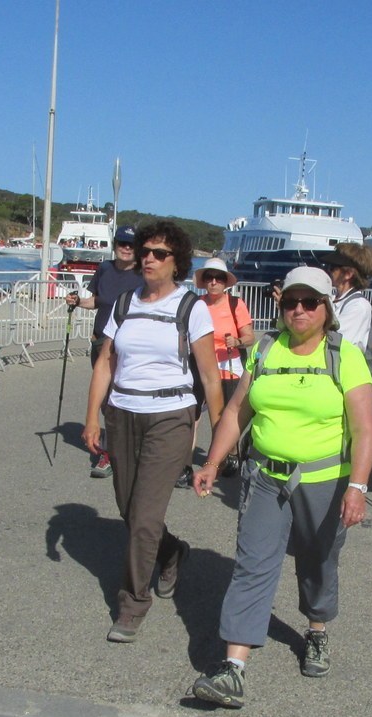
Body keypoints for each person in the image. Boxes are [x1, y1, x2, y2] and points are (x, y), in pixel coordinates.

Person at [190, 266, 372, 708]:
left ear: (326, 308)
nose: (298, 310)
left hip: (324, 482)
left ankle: (316, 631)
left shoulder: (344, 356)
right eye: (290, 301)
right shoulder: (266, 349)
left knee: (317, 561)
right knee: (253, 564)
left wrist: (359, 487)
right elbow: (237, 411)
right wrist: (213, 462)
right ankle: (233, 668)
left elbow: (365, 429)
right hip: (265, 476)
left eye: (309, 302)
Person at [82, 221, 223, 642]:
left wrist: (220, 441)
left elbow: (211, 377)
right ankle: (172, 551)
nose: (147, 257)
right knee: (129, 510)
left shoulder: (191, 307)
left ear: (176, 262)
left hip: (170, 417)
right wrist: (92, 417)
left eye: (159, 253)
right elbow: (105, 363)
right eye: (145, 250)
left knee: (145, 515)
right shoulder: (125, 302)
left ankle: (132, 603)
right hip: (122, 413)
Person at [66, 225, 143, 478]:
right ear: (115, 244)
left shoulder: (145, 274)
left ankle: (111, 453)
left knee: (121, 399)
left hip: (128, 347)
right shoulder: (105, 269)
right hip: (100, 343)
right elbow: (97, 301)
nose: (126, 248)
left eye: (131, 244)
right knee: (107, 400)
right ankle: (115, 448)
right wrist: (78, 302)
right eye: (122, 243)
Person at [194, 256, 255, 477]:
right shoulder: (197, 304)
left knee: (225, 416)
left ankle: (227, 456)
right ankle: (185, 461)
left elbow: (249, 337)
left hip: (229, 365)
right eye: (209, 277)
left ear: (225, 282)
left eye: (218, 278)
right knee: (193, 414)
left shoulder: (235, 304)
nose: (213, 282)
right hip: (201, 364)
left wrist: (237, 341)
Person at [319, 242, 372, 352]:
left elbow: (334, 339)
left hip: (343, 367)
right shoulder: (332, 299)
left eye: (333, 267)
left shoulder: (358, 306)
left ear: (348, 274)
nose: (328, 270)